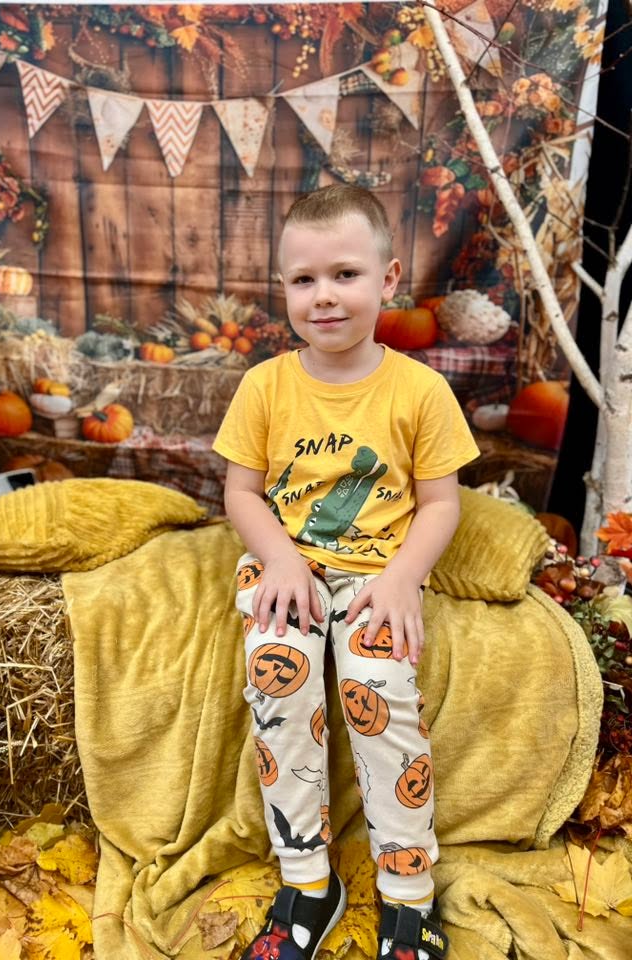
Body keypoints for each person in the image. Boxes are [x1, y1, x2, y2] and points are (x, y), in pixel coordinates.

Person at [213, 184, 479, 960]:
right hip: (288, 566)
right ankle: (307, 880)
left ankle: (408, 894)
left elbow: (441, 503)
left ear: (388, 278)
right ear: (284, 287)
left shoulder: (420, 391)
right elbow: (240, 492)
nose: (323, 296)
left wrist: (402, 578)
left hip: (375, 574)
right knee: (279, 676)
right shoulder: (265, 386)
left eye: (345, 275)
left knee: (379, 689)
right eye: (304, 280)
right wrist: (280, 558)